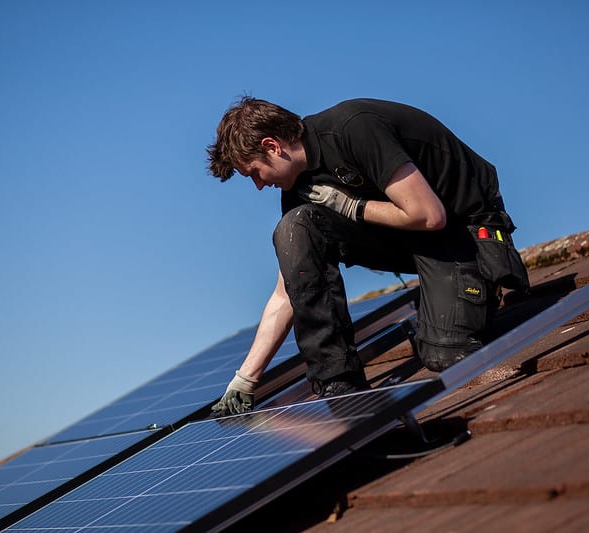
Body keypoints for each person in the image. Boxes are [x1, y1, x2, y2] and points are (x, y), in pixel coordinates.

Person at [207, 97, 528, 416]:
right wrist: (245, 380)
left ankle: (483, 285)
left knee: (446, 353)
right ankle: (338, 380)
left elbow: (430, 215)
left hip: (461, 232)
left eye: (254, 173)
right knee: (295, 227)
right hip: (408, 241)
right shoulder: (298, 187)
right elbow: (288, 291)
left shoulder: (354, 128)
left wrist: (352, 207)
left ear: (272, 146)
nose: (259, 185)